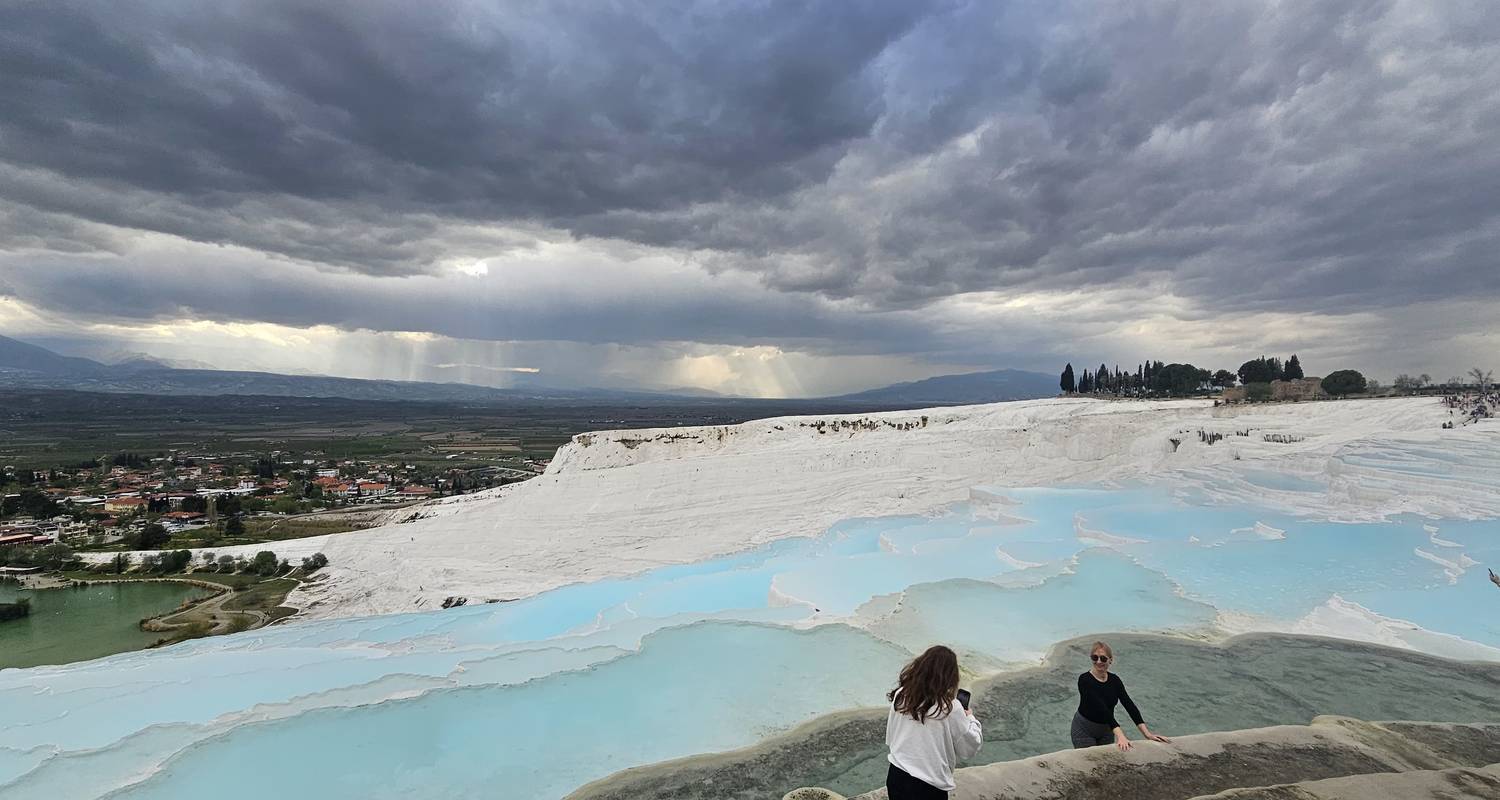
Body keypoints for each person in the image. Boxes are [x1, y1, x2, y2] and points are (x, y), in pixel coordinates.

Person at [885, 645, 983, 799]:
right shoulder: (951, 707)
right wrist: (970, 718)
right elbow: (969, 748)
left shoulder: (902, 694)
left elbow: (891, 736)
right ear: (950, 676)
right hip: (929, 786)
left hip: (897, 775)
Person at [1070, 640, 1170, 751]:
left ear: (1110, 660)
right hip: (1084, 729)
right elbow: (1101, 708)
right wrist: (1121, 736)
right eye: (1095, 657)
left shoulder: (1114, 680)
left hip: (1106, 730)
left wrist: (1147, 734)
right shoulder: (1084, 680)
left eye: (1103, 658)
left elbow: (1128, 704)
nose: (1098, 661)